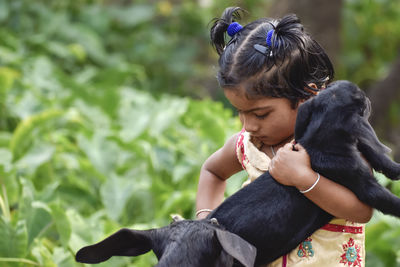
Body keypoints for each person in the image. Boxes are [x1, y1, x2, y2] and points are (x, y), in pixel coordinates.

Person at [195, 7, 372, 267]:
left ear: (308, 97)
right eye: (241, 113)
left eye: (261, 114)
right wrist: (205, 224)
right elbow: (212, 171)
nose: (249, 125)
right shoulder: (247, 145)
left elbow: (362, 209)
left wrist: (304, 179)